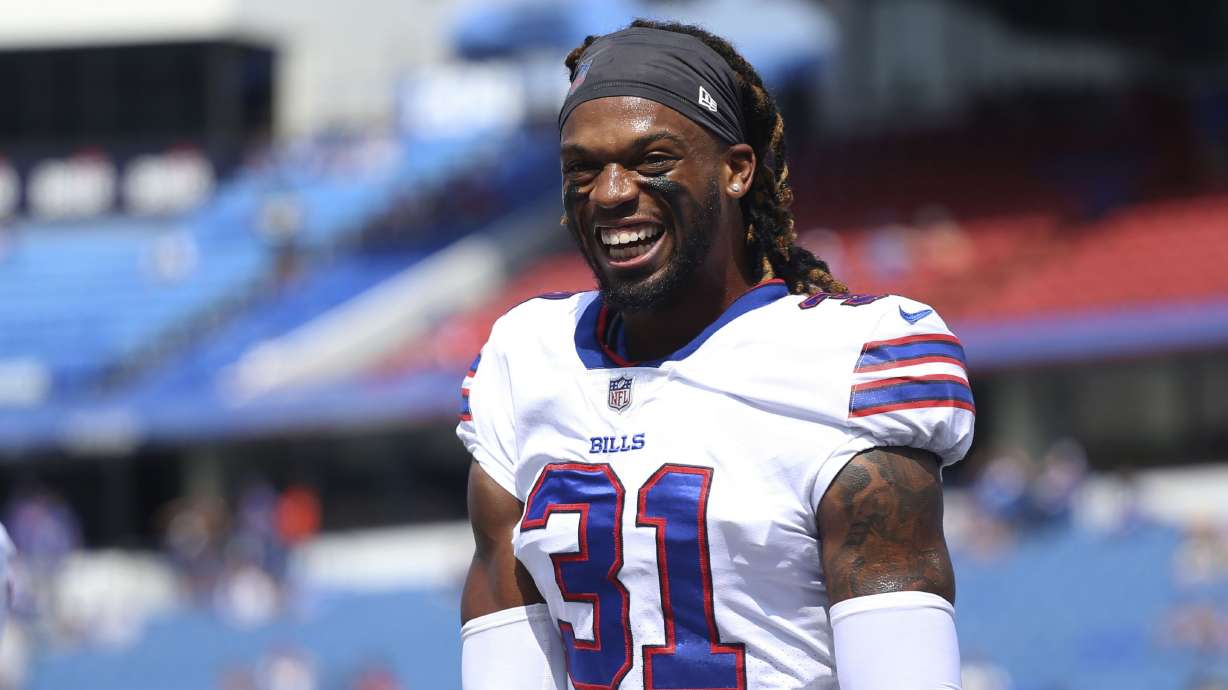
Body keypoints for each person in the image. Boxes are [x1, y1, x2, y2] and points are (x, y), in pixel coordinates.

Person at [458, 20, 974, 690]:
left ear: (735, 170)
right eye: (583, 168)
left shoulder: (848, 359)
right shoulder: (523, 361)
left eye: (652, 160)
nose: (611, 193)